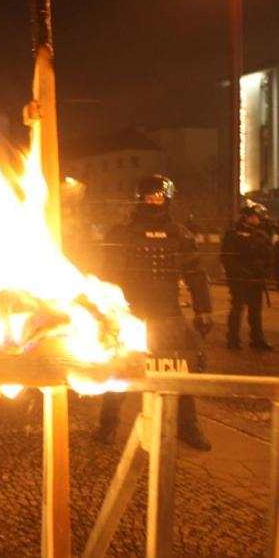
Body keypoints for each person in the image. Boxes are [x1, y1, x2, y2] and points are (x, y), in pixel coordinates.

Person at [94, 175, 214, 451]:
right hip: (131, 312)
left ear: (167, 199)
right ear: (139, 199)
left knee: (180, 369)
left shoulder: (181, 235)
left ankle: (187, 425)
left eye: (158, 197)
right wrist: (105, 311)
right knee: (121, 367)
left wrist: (203, 310)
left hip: (168, 312)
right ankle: (107, 423)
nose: (153, 202)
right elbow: (107, 276)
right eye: (148, 197)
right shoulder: (121, 234)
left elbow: (196, 274)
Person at [221, 204, 274, 351]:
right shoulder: (233, 234)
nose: (259, 220)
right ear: (247, 217)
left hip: (256, 279)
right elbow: (227, 258)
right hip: (239, 280)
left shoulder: (261, 234)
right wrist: (241, 273)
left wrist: (264, 272)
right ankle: (233, 339)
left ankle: (257, 339)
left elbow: (269, 256)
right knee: (237, 308)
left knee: (255, 310)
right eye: (256, 217)